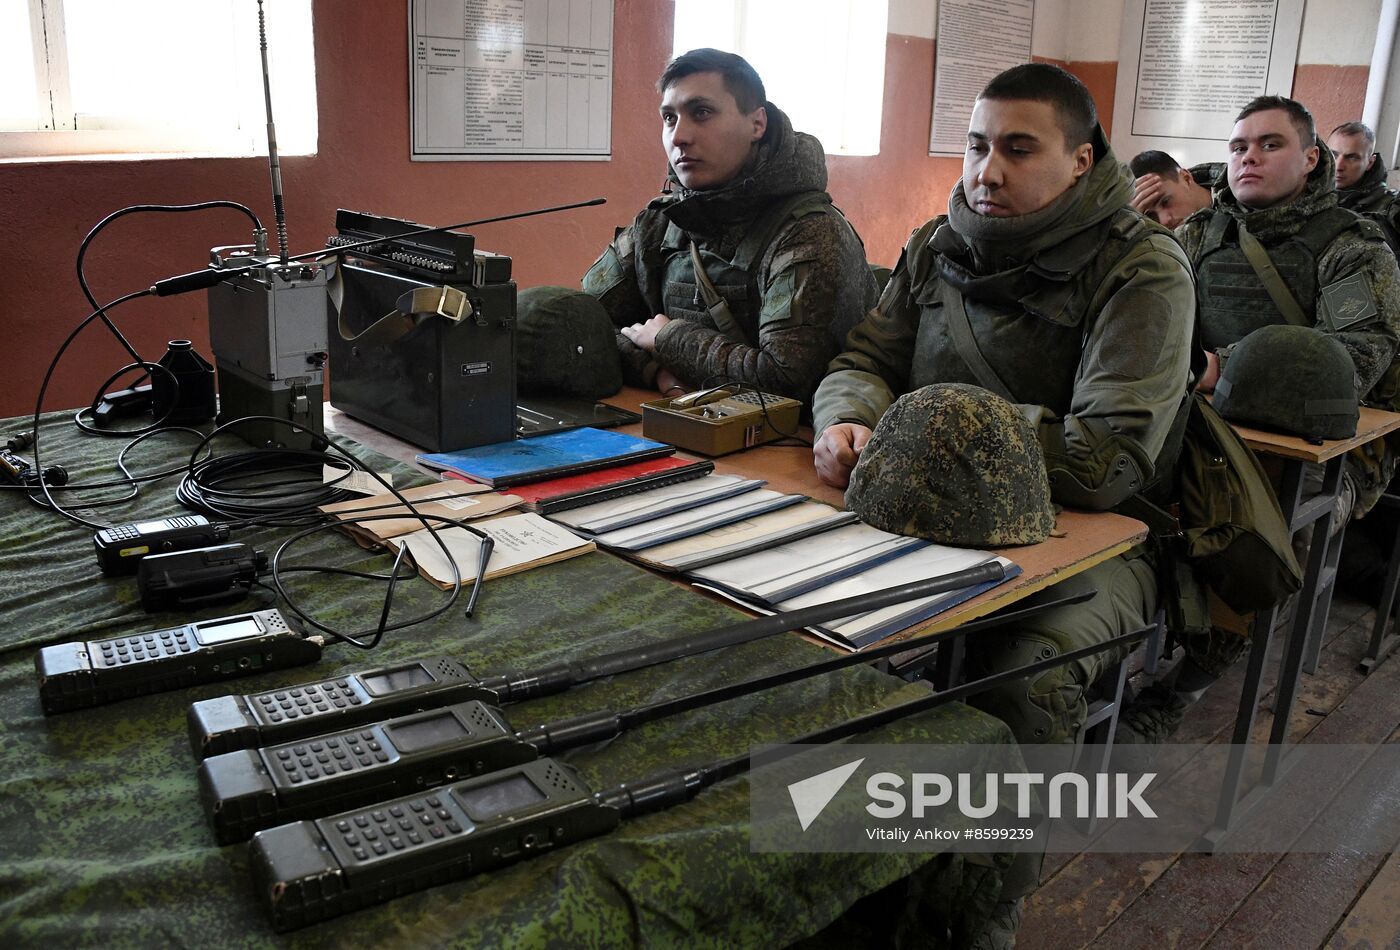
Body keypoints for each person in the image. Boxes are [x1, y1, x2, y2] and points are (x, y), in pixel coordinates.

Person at [581, 48, 878, 405]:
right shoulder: (660, 223)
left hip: (787, 437)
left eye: (701, 113)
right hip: (678, 421)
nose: (679, 136)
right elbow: (585, 322)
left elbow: (787, 381)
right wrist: (655, 370)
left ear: (757, 124)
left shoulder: (810, 232)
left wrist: (669, 340)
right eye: (670, 118)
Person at [1179, 96, 1400, 524]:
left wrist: (1219, 368)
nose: (1249, 158)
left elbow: (1353, 358)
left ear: (1310, 159)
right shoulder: (1198, 235)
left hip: (1321, 444)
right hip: (1201, 420)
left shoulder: (1351, 246)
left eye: (1270, 145)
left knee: (1270, 535)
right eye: (1239, 148)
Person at [1128, 149, 1220, 228]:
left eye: (1165, 202)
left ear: (1186, 179)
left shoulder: (1230, 189)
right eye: (1151, 216)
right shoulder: (1155, 237)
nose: (1164, 221)